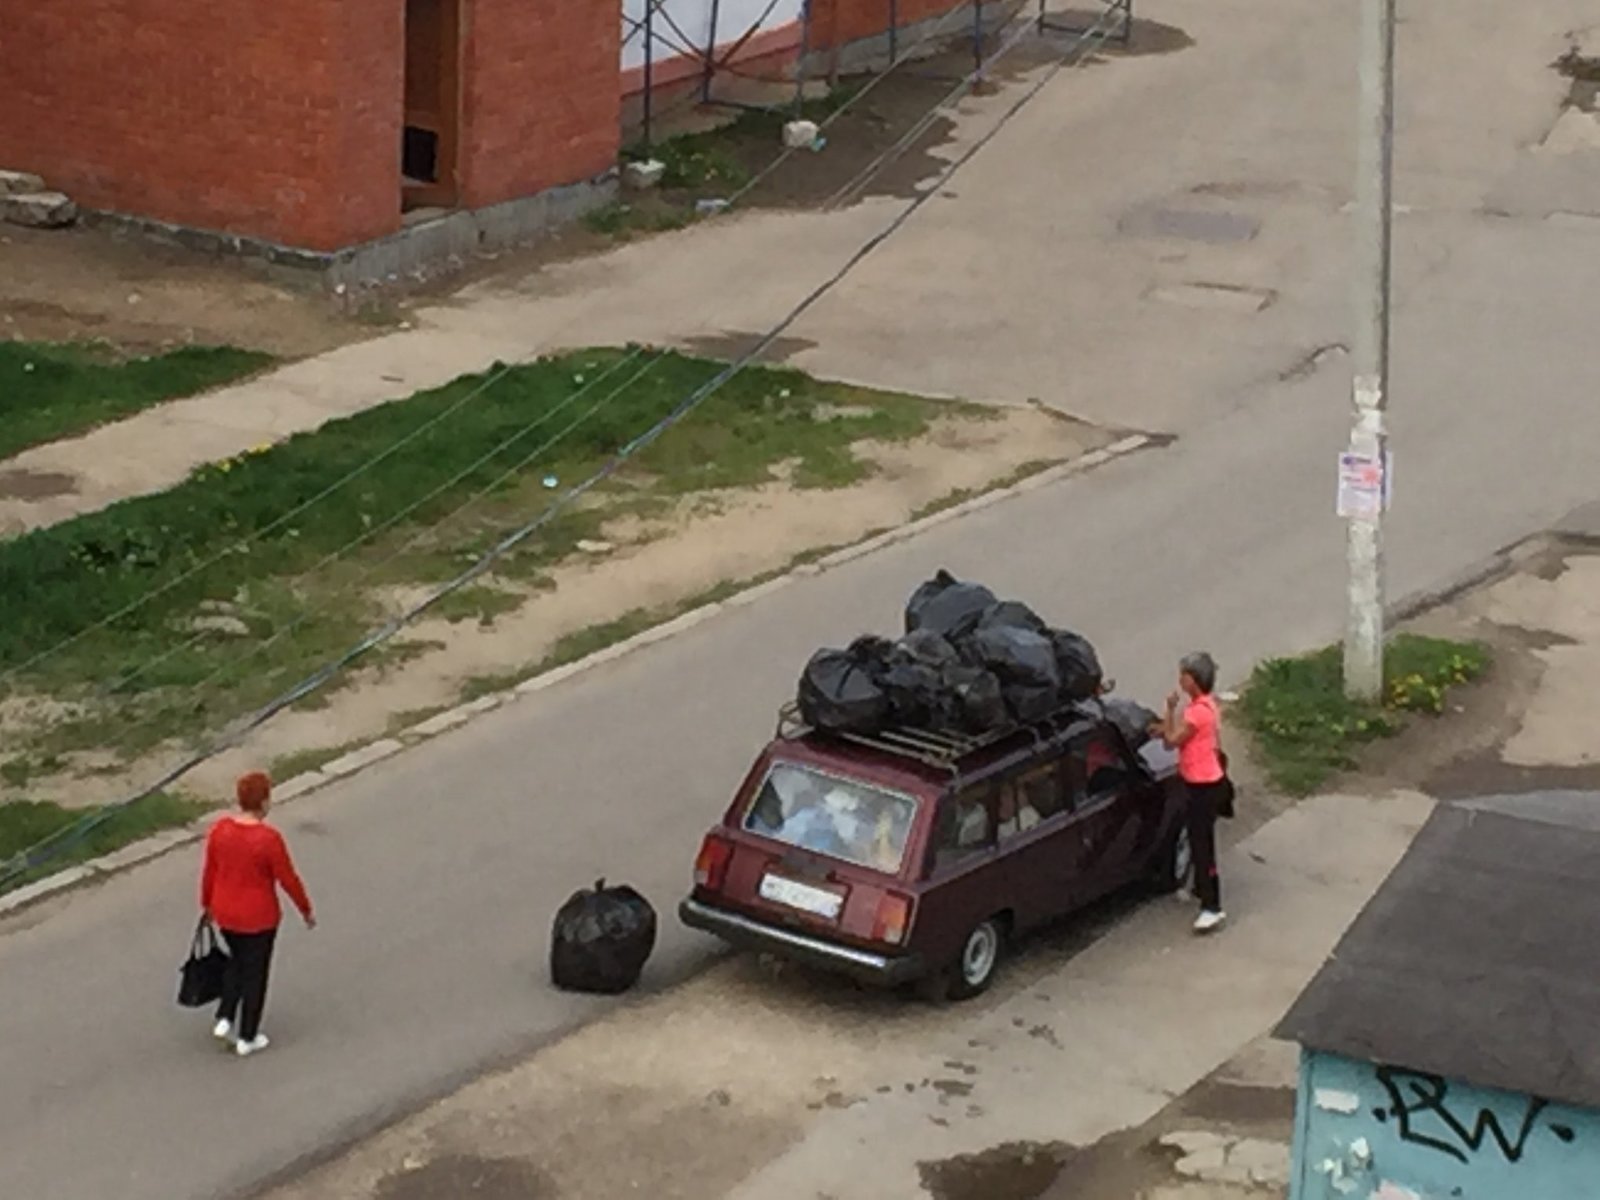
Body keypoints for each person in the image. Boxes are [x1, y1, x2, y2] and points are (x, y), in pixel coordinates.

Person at [199, 771, 315, 1057]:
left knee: (235, 963)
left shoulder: (220, 830)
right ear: (263, 802)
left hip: (225, 911)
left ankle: (225, 1017)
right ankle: (247, 1036)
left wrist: (207, 905)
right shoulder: (268, 839)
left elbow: (210, 871)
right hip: (258, 917)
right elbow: (287, 878)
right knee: (255, 974)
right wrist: (305, 909)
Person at [1154, 652, 1228, 934]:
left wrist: (1169, 710)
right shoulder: (1207, 705)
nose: (1179, 679)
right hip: (1206, 780)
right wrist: (1163, 728)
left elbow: (1173, 742)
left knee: (1202, 843)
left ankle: (1212, 906)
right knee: (1198, 836)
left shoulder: (1195, 713)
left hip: (1202, 785)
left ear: (1193, 680)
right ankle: (1200, 888)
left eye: (1183, 674)